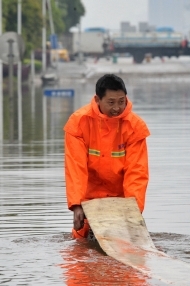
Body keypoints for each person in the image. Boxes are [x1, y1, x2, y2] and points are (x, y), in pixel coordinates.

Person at [63, 74, 150, 239]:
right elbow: (75, 168)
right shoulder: (78, 123)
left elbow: (137, 173)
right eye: (111, 102)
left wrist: (133, 211)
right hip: (89, 202)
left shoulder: (134, 127)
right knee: (80, 245)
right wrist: (76, 206)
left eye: (121, 101)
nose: (117, 107)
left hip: (122, 202)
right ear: (97, 100)